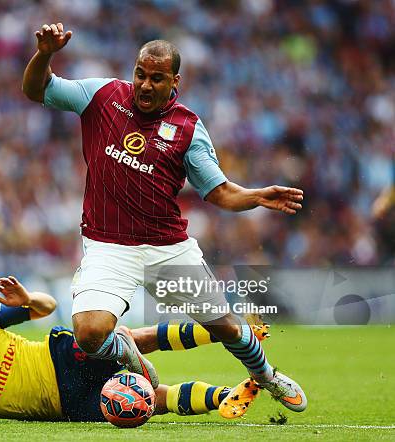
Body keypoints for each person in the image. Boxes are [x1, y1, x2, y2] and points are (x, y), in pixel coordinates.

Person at [22, 23, 307, 412]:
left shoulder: (188, 128)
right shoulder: (102, 95)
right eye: (140, 74)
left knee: (226, 328)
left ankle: (266, 376)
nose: (145, 85)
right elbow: (35, 89)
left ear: (175, 80)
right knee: (88, 333)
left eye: (157, 78)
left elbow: (219, 191)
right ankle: (132, 357)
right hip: (108, 246)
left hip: (167, 248)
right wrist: (44, 54)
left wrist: (256, 195)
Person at [0, 276, 264, 425]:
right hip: (65, 404)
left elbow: (49, 308)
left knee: (132, 339)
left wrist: (27, 299)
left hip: (60, 355)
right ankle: (229, 396)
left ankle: (226, 332)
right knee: (149, 402)